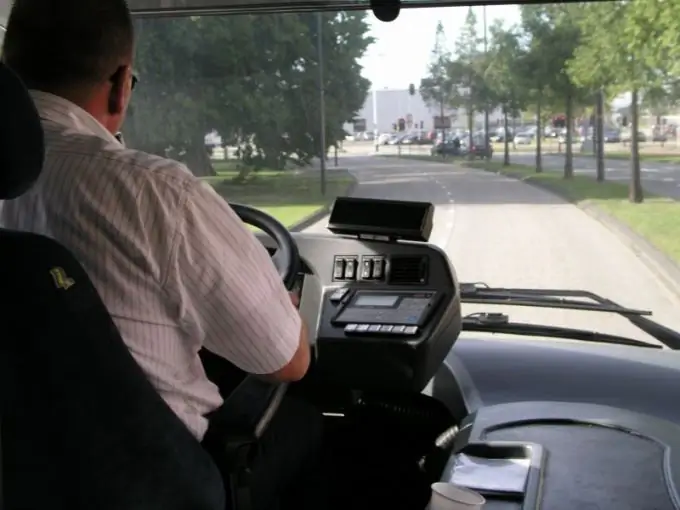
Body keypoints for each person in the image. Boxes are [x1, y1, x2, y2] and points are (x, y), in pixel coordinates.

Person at [0, 1, 324, 508]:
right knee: (308, 417)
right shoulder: (157, 194)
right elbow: (287, 361)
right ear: (122, 81)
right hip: (153, 486)